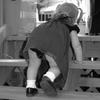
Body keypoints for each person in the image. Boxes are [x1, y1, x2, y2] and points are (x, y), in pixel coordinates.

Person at [21, 2, 83, 97]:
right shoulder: (70, 27)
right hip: (51, 47)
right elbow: (77, 45)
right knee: (56, 66)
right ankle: (47, 78)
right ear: (74, 18)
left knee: (33, 65)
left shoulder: (48, 23)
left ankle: (30, 88)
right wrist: (79, 60)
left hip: (34, 42)